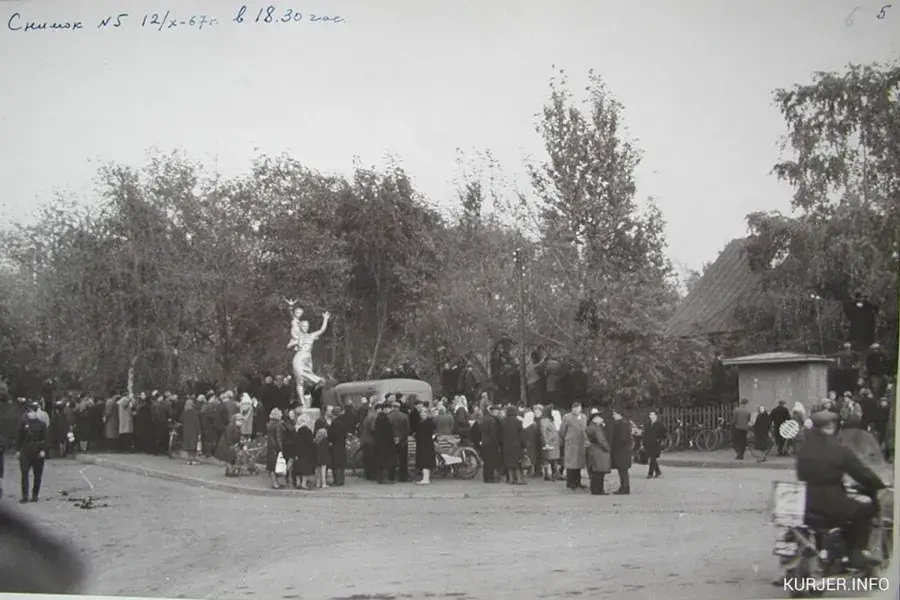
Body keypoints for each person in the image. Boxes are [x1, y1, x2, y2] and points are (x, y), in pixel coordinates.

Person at [796, 410, 886, 569]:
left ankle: (835, 553)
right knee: (865, 509)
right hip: (832, 502)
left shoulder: (804, 449)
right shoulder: (839, 449)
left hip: (809, 502)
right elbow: (861, 472)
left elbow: (800, 474)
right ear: (831, 426)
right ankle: (856, 552)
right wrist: (878, 484)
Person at [16, 402, 49, 503]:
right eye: (28, 412)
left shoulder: (42, 424)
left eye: (30, 412)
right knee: (24, 473)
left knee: (37, 475)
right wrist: (18, 450)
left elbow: (46, 439)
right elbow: (19, 438)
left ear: (35, 413)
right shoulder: (23, 423)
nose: (28, 414)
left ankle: (35, 495)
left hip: (37, 451)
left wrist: (43, 450)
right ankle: (25, 495)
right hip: (26, 450)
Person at [558, 403, 587, 490]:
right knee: (571, 463)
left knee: (579, 463)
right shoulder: (567, 417)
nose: (576, 410)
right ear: (572, 408)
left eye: (577, 408)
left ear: (581, 409)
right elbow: (562, 430)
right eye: (574, 408)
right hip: (571, 442)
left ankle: (578, 482)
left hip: (580, 443)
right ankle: (570, 482)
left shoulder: (584, 417)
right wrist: (566, 439)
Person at [585, 411, 611, 495]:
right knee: (600, 472)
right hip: (599, 451)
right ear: (595, 419)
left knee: (595, 471)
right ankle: (599, 490)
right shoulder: (597, 428)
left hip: (593, 449)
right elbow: (601, 440)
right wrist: (608, 448)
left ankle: (594, 489)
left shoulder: (590, 427)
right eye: (600, 418)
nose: (602, 419)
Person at [608, 408, 633, 495]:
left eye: (614, 414)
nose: (613, 416)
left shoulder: (624, 424)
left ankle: (625, 488)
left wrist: (614, 446)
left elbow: (622, 438)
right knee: (621, 470)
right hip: (621, 451)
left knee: (623, 470)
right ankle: (623, 487)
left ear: (619, 414)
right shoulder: (620, 423)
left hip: (622, 451)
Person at [500, 405, 525, 485]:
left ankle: (510, 479)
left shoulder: (503, 421)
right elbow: (521, 435)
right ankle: (519, 479)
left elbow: (500, 434)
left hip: (506, 445)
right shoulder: (518, 422)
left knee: (508, 463)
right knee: (517, 463)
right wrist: (523, 445)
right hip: (516, 445)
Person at [479, 405, 503, 483]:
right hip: (491, 444)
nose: (498, 413)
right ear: (494, 412)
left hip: (484, 442)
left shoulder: (484, 418)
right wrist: (497, 444)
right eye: (497, 412)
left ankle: (487, 477)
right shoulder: (493, 420)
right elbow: (494, 434)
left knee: (487, 461)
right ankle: (489, 478)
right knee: (491, 461)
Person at [414, 404, 436, 485]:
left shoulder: (426, 423)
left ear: (427, 413)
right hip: (426, 444)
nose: (422, 414)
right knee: (425, 462)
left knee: (425, 462)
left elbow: (421, 434)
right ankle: (425, 478)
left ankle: (426, 479)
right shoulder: (428, 422)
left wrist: (416, 435)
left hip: (425, 444)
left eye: (424, 412)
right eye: (421, 412)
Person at [537, 405, 560, 481]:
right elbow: (543, 432)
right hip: (549, 442)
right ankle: (548, 474)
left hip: (553, 442)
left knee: (553, 459)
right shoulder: (544, 420)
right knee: (547, 459)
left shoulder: (548, 420)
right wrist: (546, 442)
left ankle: (555, 473)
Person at [642, 410, 666, 478]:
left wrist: (660, 440)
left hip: (656, 444)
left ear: (656, 416)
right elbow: (645, 434)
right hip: (648, 443)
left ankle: (650, 473)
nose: (650, 416)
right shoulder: (647, 424)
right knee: (652, 458)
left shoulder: (660, 424)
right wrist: (643, 443)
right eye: (650, 415)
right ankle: (658, 471)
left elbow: (664, 434)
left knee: (652, 458)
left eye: (652, 415)